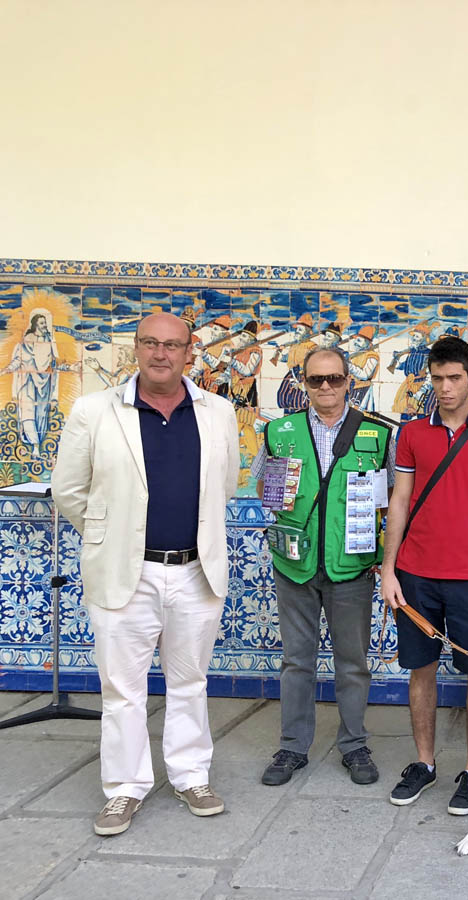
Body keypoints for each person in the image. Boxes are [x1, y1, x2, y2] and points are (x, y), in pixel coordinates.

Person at [51, 312, 239, 836]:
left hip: (194, 572)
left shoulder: (217, 411)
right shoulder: (95, 410)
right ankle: (124, 790)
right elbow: (69, 489)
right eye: (151, 343)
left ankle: (190, 776)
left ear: (189, 352)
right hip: (122, 574)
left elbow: (224, 484)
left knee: (189, 681)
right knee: (123, 688)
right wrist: (112, 535)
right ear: (136, 348)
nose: (161, 353)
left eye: (172, 345)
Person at [379, 336, 468, 816]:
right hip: (416, 574)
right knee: (421, 669)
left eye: (454, 377)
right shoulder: (413, 433)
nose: (445, 387)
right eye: (437, 378)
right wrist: (389, 568)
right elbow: (399, 501)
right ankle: (423, 763)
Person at [250, 347, 395, 788]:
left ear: (349, 381)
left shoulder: (377, 434)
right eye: (316, 380)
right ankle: (293, 746)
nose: (326, 387)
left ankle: (354, 745)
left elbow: (392, 498)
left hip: (350, 567)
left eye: (334, 378)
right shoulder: (280, 431)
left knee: (352, 663)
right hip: (295, 563)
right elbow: (262, 486)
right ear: (303, 384)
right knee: (297, 661)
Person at [2, 310, 75, 457]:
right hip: (27, 383)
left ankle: (38, 445)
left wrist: (69, 367)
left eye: (45, 323)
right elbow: (18, 360)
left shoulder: (49, 342)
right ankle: (34, 445)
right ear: (35, 324)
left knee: (41, 416)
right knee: (28, 413)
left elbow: (54, 363)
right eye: (41, 323)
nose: (44, 326)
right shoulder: (26, 342)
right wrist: (7, 369)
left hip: (44, 386)